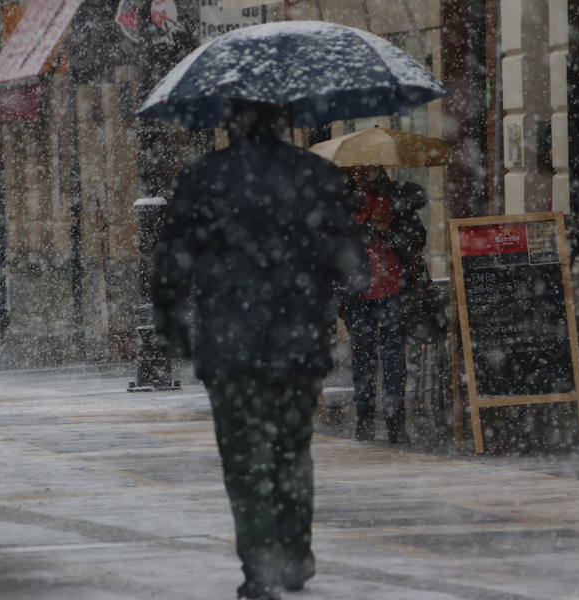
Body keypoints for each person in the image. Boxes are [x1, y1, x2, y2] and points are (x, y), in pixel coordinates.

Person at [151, 101, 369, 600]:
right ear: (283, 122)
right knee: (292, 451)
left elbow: (172, 264)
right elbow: (354, 268)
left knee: (244, 458)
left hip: (231, 346)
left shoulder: (203, 177)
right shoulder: (316, 174)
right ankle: (295, 554)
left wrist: (172, 327)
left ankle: (259, 563)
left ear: (229, 125)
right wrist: (316, 293)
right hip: (297, 343)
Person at [338, 165, 428, 444]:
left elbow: (417, 239)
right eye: (359, 171)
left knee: (393, 359)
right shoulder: (342, 202)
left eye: (370, 169)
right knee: (362, 358)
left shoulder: (398, 199)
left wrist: (389, 230)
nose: (365, 175)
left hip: (394, 290)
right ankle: (364, 420)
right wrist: (365, 227)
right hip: (358, 294)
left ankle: (395, 422)